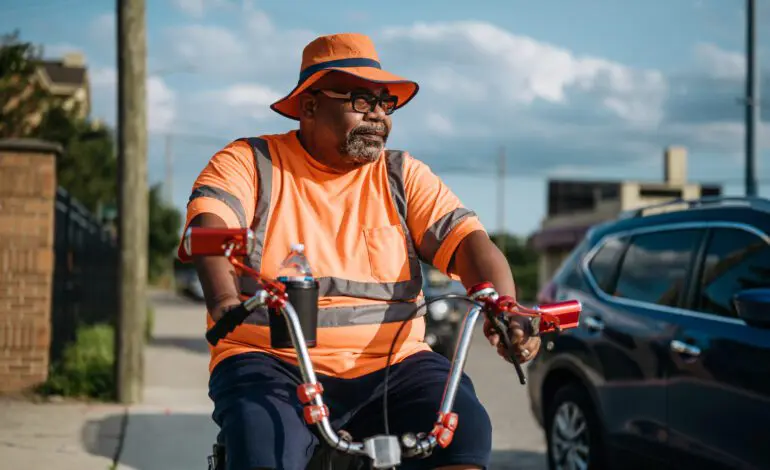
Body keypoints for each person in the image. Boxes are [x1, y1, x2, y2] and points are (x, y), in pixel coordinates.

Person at [179, 32, 541, 470]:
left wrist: (506, 307)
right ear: (310, 106)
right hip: (272, 362)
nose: (378, 116)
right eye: (361, 100)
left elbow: (468, 242)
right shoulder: (250, 161)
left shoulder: (401, 174)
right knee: (265, 447)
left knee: (466, 431)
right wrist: (223, 301)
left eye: (385, 103)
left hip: (395, 363)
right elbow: (212, 223)